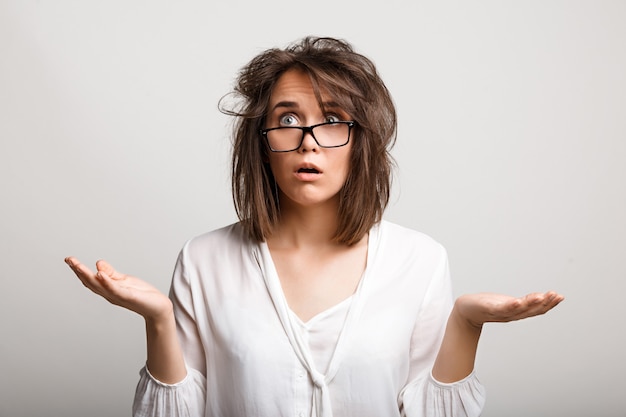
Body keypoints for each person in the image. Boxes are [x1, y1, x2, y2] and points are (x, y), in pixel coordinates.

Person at [65, 36, 564, 417]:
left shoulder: (421, 260)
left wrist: (466, 324)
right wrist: (158, 320)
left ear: (359, 141)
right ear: (261, 142)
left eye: (331, 119)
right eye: (287, 119)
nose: (308, 141)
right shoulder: (203, 259)